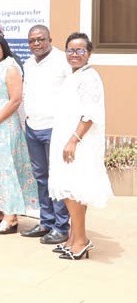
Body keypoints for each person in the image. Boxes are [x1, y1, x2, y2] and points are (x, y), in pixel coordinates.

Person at [48, 32, 113, 260]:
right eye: (70, 50)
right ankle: (73, 238)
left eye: (80, 50)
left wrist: (74, 139)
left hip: (79, 143)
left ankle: (82, 240)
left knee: (74, 190)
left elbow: (90, 113)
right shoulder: (73, 75)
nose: (74, 54)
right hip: (67, 139)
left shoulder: (90, 77)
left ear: (89, 53)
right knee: (72, 190)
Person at [0, 35, 38, 234]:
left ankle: (11, 217)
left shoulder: (10, 67)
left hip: (3, 127)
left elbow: (15, 100)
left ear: (3, 49)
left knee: (5, 169)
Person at [19, 25, 71, 244]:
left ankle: (61, 227)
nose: (36, 44)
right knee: (41, 178)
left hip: (55, 128)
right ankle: (46, 222)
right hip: (33, 128)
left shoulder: (63, 60)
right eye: (32, 41)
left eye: (40, 39)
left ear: (50, 38)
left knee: (57, 178)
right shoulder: (28, 63)